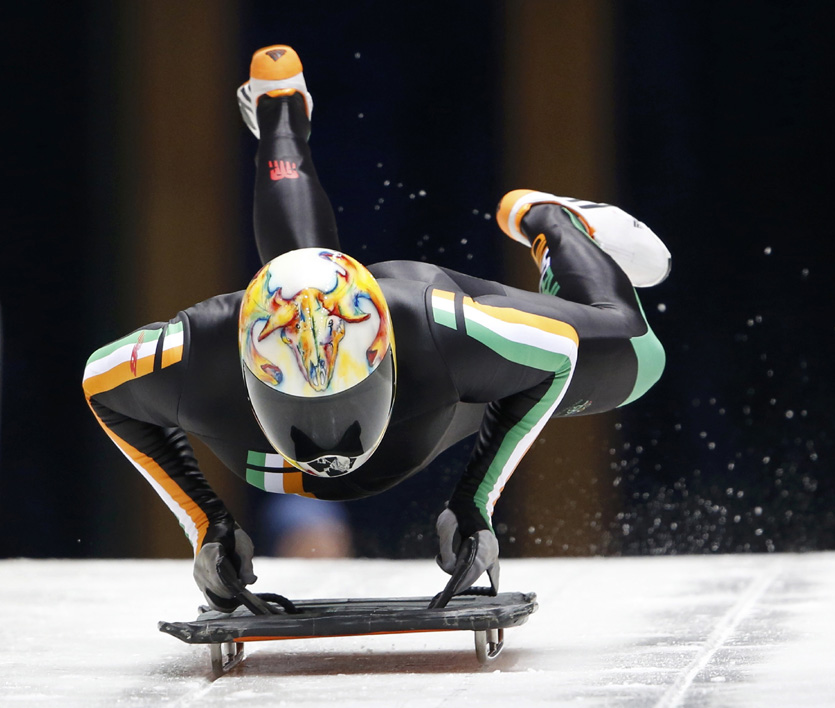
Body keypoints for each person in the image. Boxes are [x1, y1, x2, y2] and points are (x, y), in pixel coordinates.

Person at [83, 45, 670, 612]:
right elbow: (98, 386)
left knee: (636, 356)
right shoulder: (198, 354)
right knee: (301, 269)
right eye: (302, 406)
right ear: (245, 367)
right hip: (413, 398)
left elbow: (560, 353)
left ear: (386, 352)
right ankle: (281, 108)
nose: (331, 439)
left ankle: (550, 221)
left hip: (441, 369)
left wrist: (476, 499)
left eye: (344, 398)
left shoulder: (442, 329)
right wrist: (206, 522)